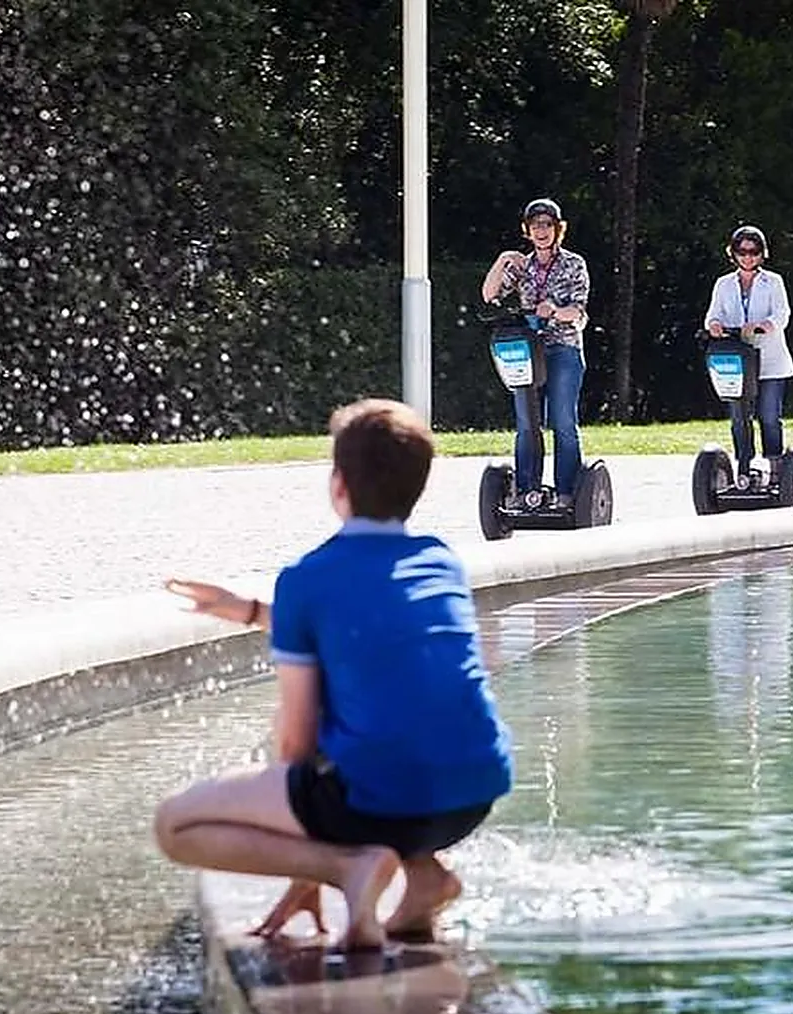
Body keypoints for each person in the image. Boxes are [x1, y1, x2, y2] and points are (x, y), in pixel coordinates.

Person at [154, 398, 514, 951]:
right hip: (473, 793)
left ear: (337, 485)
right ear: (418, 486)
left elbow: (297, 741)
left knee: (175, 825)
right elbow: (369, 630)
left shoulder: (307, 579)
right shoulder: (441, 561)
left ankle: (345, 869)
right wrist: (250, 611)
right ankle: (425, 878)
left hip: (378, 803)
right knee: (397, 737)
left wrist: (310, 866)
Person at [480, 197, 591, 505]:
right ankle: (527, 490)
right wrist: (503, 259)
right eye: (535, 225)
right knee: (527, 423)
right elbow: (490, 294)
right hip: (527, 352)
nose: (541, 231)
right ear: (527, 231)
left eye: (547, 225)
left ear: (558, 229)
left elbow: (579, 312)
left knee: (562, 421)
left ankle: (566, 493)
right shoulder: (522, 265)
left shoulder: (573, 264)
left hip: (563, 350)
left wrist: (554, 310)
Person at [704, 225, 793, 486]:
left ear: (762, 253)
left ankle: (775, 468)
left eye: (753, 251)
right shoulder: (723, 284)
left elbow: (782, 314)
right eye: (742, 251)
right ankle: (743, 468)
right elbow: (713, 315)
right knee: (738, 418)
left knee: (768, 416)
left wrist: (766, 325)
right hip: (736, 362)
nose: (748, 257)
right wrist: (714, 326)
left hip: (770, 360)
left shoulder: (773, 281)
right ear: (733, 253)